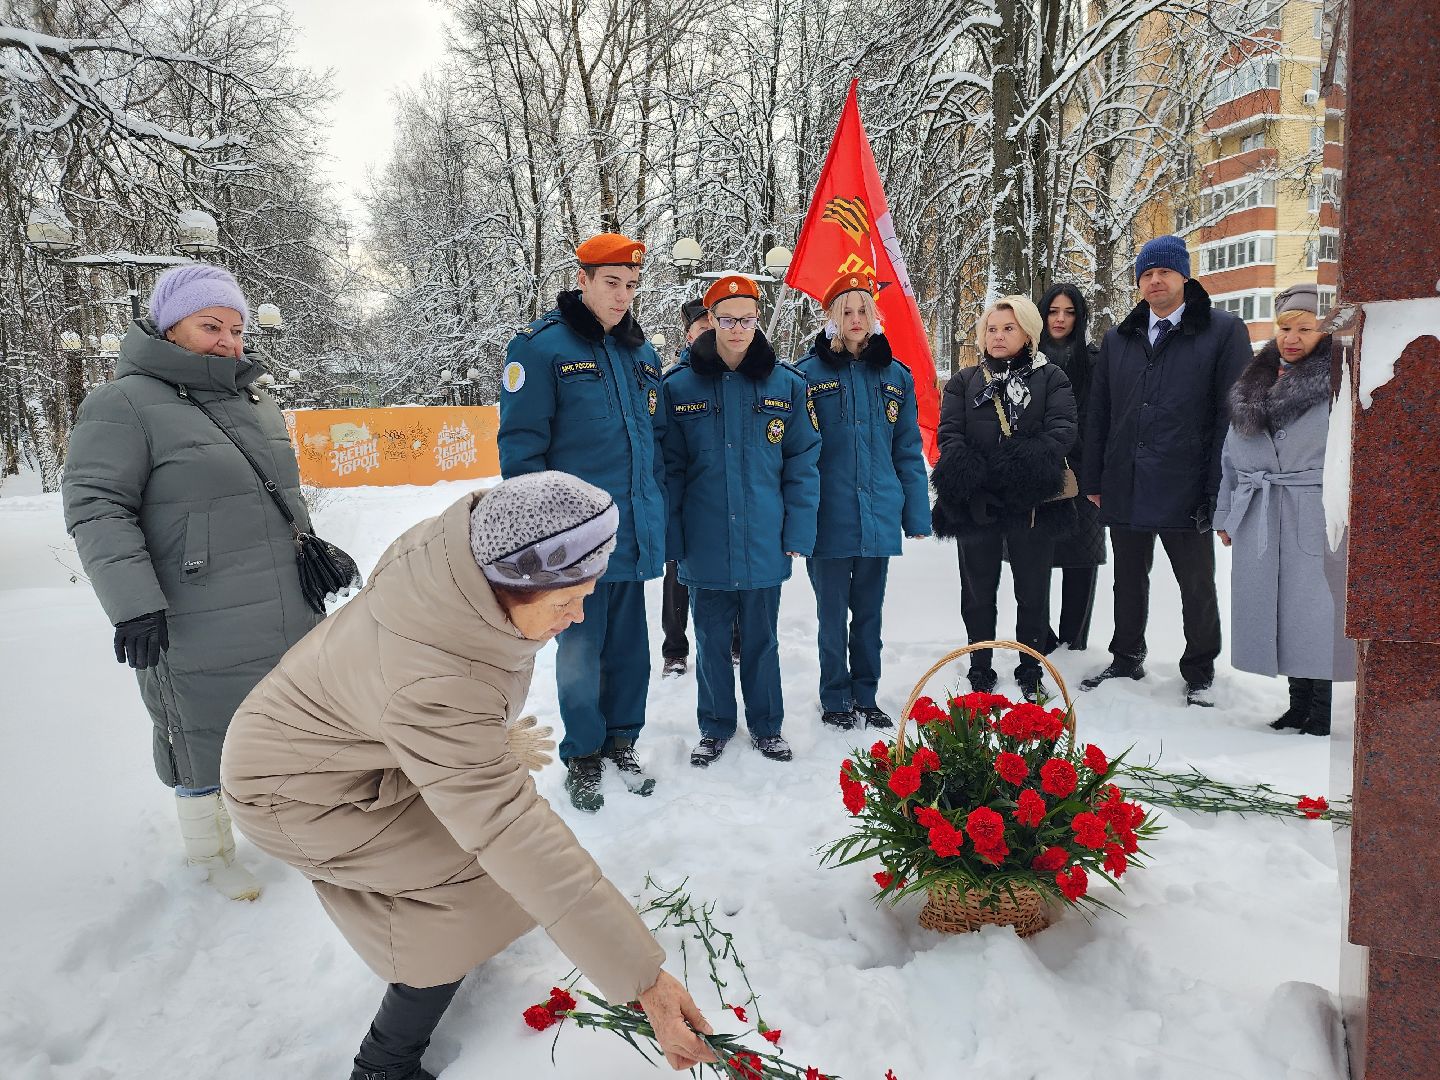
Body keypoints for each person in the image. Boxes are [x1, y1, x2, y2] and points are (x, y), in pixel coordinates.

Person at [221, 474, 717, 1080]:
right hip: (299, 795)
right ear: (513, 584)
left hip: (356, 755)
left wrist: (476, 740)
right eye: (566, 601)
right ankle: (384, 1065)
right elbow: (507, 827)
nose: (579, 614)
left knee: (493, 871)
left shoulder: (461, 561)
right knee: (469, 886)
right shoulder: (435, 681)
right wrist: (643, 980)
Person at [61, 263, 322, 902]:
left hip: (282, 598)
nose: (229, 341)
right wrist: (134, 605)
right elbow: (96, 505)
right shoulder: (122, 402)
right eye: (211, 326)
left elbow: (275, 494)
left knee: (284, 721)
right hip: (192, 610)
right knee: (201, 731)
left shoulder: (253, 398)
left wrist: (311, 548)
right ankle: (209, 853)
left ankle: (283, 825)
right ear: (168, 325)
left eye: (235, 328)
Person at [498, 233, 666, 811]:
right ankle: (583, 754)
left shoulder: (640, 354)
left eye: (631, 285)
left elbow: (653, 447)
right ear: (585, 280)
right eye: (612, 283)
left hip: (632, 531)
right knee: (578, 652)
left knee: (630, 649)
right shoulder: (541, 350)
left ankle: (623, 740)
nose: (622, 296)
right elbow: (522, 451)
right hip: (574, 544)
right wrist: (541, 538)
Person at [1080, 235, 1252, 707]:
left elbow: (1232, 416)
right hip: (1127, 480)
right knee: (1128, 577)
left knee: (1196, 582)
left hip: (1188, 485)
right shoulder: (1120, 338)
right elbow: (1101, 413)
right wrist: (1094, 478)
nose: (1155, 281)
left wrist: (1220, 490)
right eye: (1146, 274)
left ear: (1184, 276)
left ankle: (1199, 669)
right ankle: (1126, 656)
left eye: (1164, 272)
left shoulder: (1222, 331)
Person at [661, 273, 820, 767]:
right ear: (710, 321)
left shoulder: (786, 383)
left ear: (758, 320)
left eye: (747, 319)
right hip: (705, 538)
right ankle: (714, 726)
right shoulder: (679, 386)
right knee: (709, 641)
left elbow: (802, 461)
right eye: (727, 319)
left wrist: (798, 530)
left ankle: (767, 725)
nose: (737, 330)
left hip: (762, 538)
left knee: (761, 639)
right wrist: (673, 536)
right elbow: (668, 468)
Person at [1215, 284, 1355, 734]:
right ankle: (1297, 704)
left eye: (1305, 328)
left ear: (1324, 333)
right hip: (1261, 511)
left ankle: (1321, 709)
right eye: (1285, 328)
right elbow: (1229, 458)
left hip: (1313, 510)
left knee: (1316, 612)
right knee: (1280, 610)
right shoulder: (1252, 384)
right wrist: (1225, 515)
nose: (1292, 337)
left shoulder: (1340, 381)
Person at [796, 272, 930, 730]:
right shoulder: (806, 376)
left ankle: (866, 694)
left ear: (875, 316)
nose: (856, 320)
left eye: (863, 311)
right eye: (846, 312)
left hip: (877, 515)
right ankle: (835, 696)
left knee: (869, 614)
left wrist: (915, 512)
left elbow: (907, 448)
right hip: (827, 518)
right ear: (831, 317)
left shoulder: (895, 375)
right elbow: (796, 454)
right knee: (831, 617)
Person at [930, 296, 1077, 702]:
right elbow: (950, 437)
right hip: (977, 503)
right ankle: (980, 665)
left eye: (1008, 328)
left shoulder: (1052, 379)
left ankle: (1030, 667)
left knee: (1032, 591)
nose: (998, 336)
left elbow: (1061, 432)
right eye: (991, 329)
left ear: (1028, 331)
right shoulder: (964, 381)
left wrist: (1016, 476)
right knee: (978, 590)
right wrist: (974, 484)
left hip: (1031, 503)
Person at [660, 299, 740, 676]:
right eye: (703, 328)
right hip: (688, 495)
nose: (711, 334)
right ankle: (675, 648)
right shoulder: (674, 381)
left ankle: (737, 641)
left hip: (730, 492)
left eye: (715, 326)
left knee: (736, 568)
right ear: (689, 334)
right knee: (678, 572)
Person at [1035, 283, 1105, 651]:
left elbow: (1102, 416)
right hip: (1038, 472)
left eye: (1069, 312)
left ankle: (1075, 644)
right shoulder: (1026, 358)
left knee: (1082, 560)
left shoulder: (1095, 360)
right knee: (1035, 558)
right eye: (1053, 311)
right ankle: (1040, 641)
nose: (1060, 319)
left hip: (1084, 470)